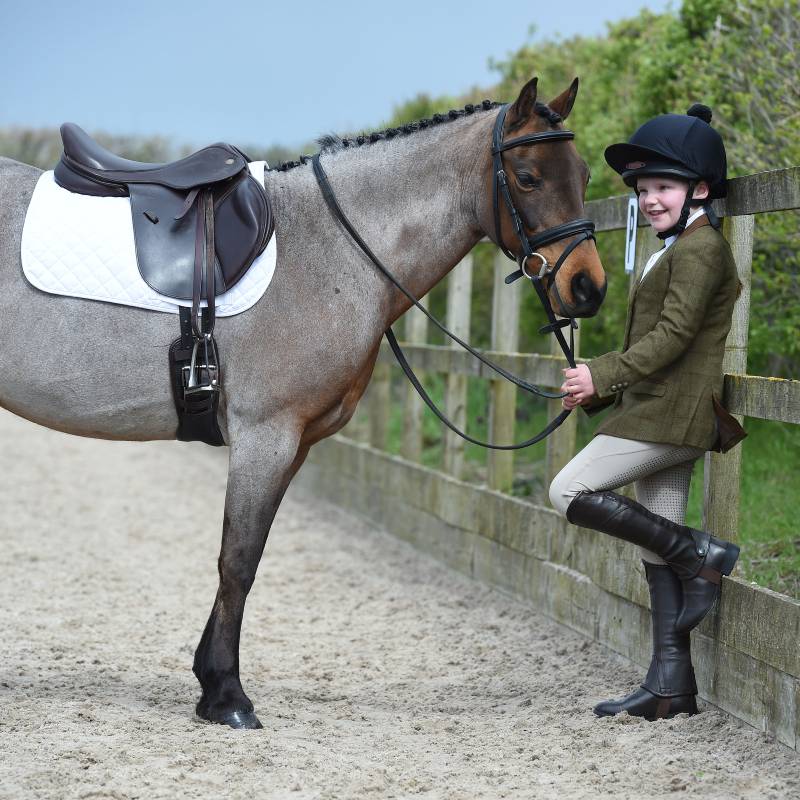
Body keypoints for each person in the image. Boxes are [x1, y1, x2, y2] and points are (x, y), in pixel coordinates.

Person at [548, 104, 746, 721]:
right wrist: (598, 390)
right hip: (655, 407)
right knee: (653, 549)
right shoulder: (672, 247)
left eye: (664, 186)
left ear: (700, 189)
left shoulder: (701, 249)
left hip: (673, 415)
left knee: (567, 489)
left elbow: (675, 336)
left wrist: (600, 373)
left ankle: (700, 555)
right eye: (644, 188)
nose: (651, 198)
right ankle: (670, 686)